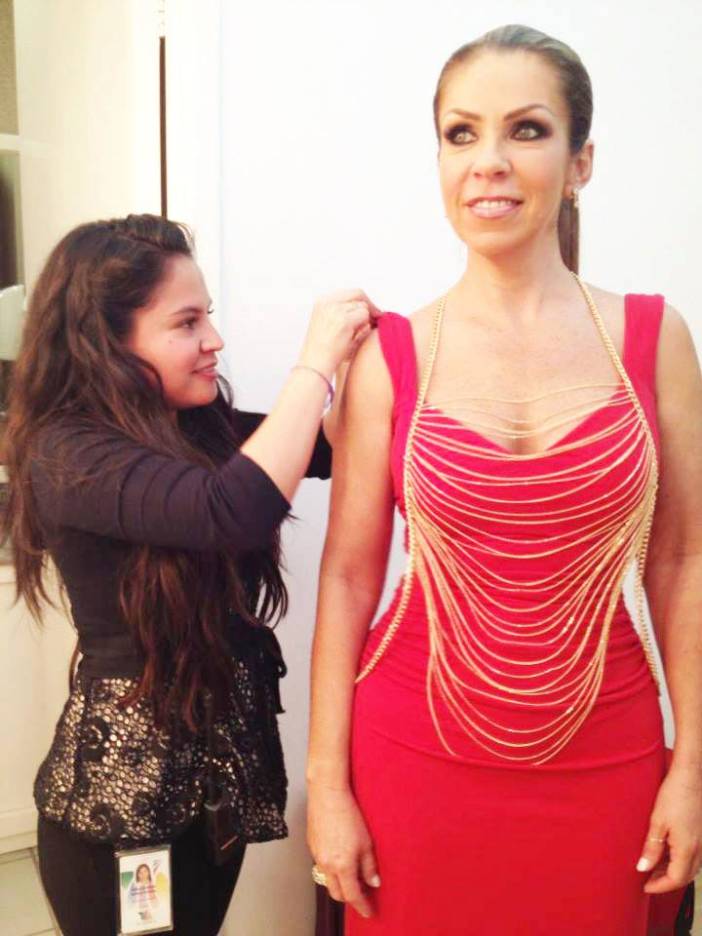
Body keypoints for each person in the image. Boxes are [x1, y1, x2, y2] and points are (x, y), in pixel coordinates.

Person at [306, 24, 702, 935]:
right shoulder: (390, 355)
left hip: (609, 757)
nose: (488, 161)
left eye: (526, 130)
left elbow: (680, 563)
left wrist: (692, 766)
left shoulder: (657, 338)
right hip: (414, 757)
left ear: (580, 162)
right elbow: (349, 576)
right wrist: (327, 785)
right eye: (461, 134)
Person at [2, 213, 379, 936]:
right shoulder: (65, 450)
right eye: (186, 322)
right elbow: (231, 509)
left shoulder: (193, 425)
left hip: (210, 799)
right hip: (122, 812)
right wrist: (314, 365)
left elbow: (325, 445)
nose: (214, 340)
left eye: (208, 315)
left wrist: (372, 366)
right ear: (106, 341)